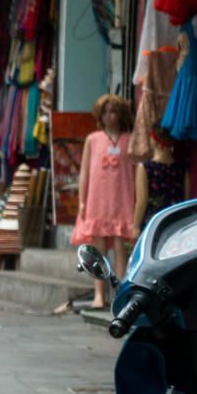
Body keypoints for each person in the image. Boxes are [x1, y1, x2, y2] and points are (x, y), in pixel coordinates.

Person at [71, 94, 137, 309]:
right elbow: (84, 173)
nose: (110, 116)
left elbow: (138, 172)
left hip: (122, 198)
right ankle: (99, 295)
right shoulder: (93, 139)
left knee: (120, 248)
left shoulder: (130, 139)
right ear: (100, 115)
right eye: (106, 111)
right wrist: (82, 201)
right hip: (97, 199)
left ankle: (119, 293)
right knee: (96, 250)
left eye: (114, 111)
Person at [134, 135, 187, 235]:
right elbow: (186, 199)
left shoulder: (145, 167)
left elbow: (141, 202)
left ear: (155, 140)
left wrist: (135, 227)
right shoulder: (182, 168)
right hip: (177, 222)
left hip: (153, 224)